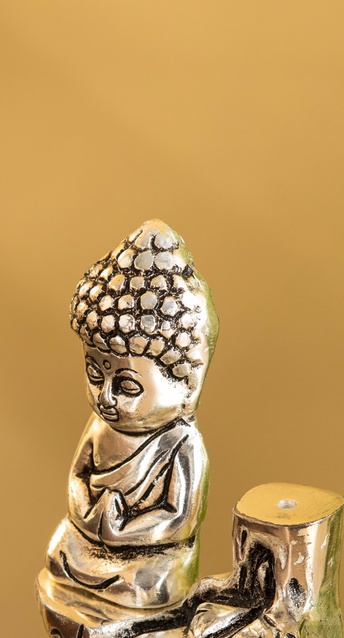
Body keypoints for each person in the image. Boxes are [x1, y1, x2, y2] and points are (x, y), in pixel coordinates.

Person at [46, 219, 219, 609]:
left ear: (184, 384)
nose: (105, 397)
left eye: (126, 386)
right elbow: (79, 477)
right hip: (89, 539)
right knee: (60, 553)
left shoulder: (181, 442)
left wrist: (124, 530)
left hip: (147, 554)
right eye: (95, 375)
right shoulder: (100, 425)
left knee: (148, 583)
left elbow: (178, 517)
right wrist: (87, 512)